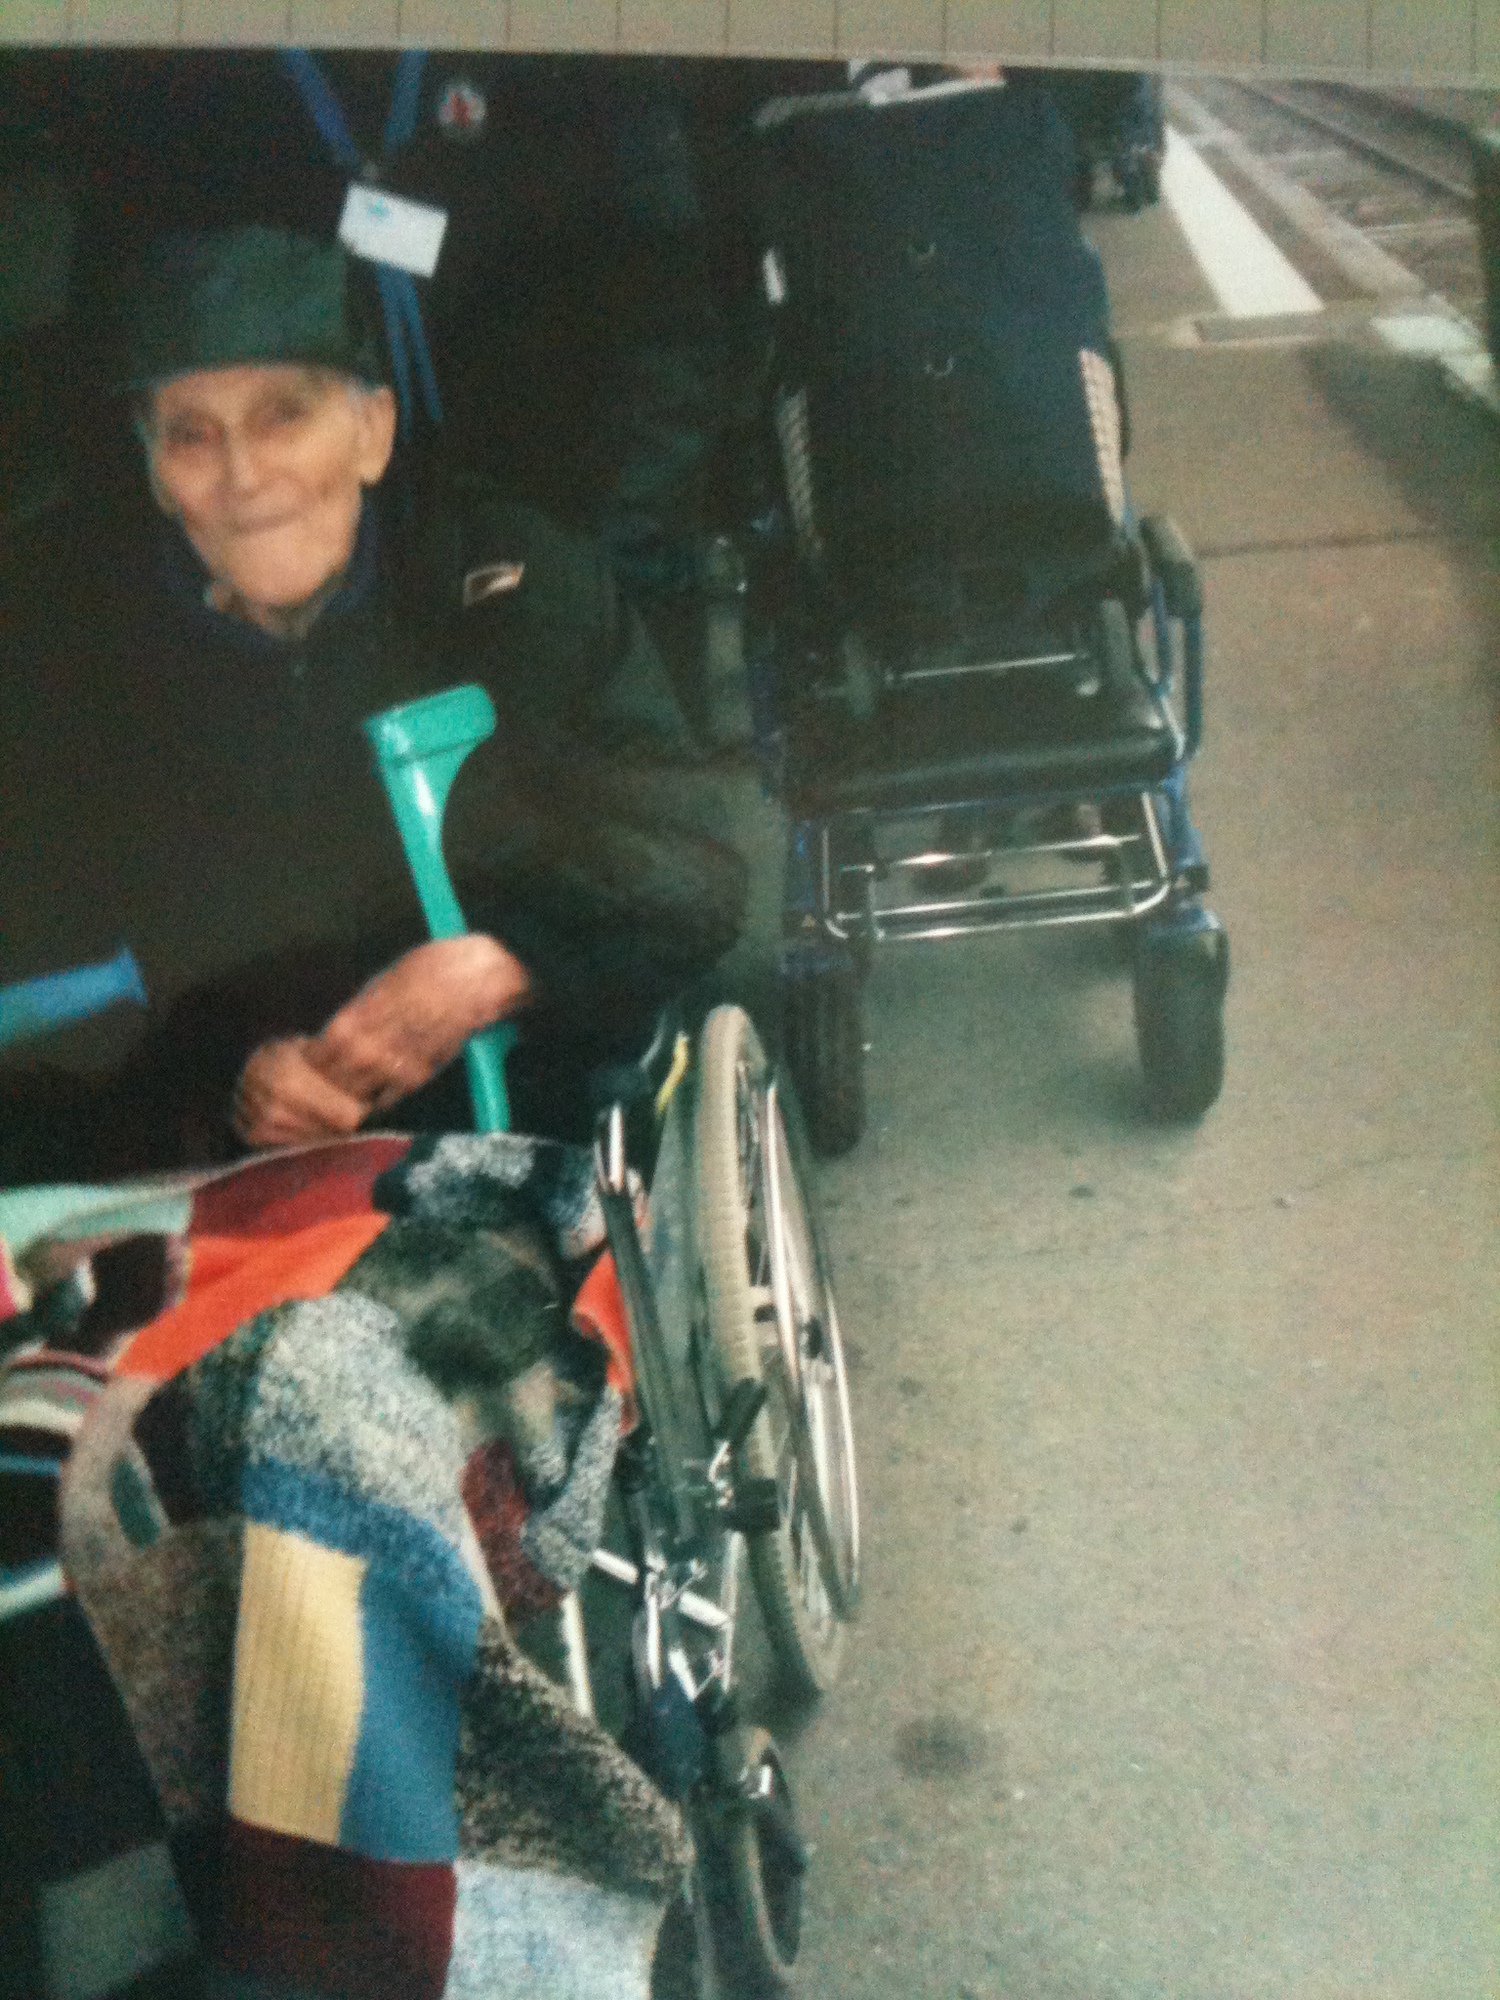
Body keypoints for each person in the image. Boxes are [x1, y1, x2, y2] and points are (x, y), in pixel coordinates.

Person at [0, 223, 748, 1179]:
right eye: (192, 435)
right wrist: (235, 1072)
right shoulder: (102, 671)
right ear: (154, 470)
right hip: (252, 1181)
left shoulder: (514, 593)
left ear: (373, 432)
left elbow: (692, 867)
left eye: (283, 416)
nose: (243, 477)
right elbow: (90, 967)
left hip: (541, 1119)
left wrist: (506, 964)